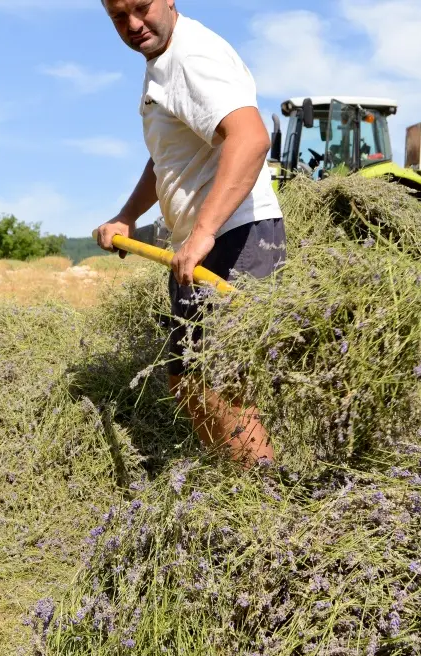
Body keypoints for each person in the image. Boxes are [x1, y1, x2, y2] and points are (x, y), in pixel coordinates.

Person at [93, 0, 285, 467]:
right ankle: (252, 494)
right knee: (192, 382)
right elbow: (169, 158)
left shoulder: (191, 57)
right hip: (202, 246)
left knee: (215, 382)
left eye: (142, 7)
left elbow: (251, 137)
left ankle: (269, 507)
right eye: (119, 16)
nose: (134, 25)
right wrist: (127, 216)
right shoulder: (163, 64)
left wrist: (203, 233)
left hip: (236, 237)